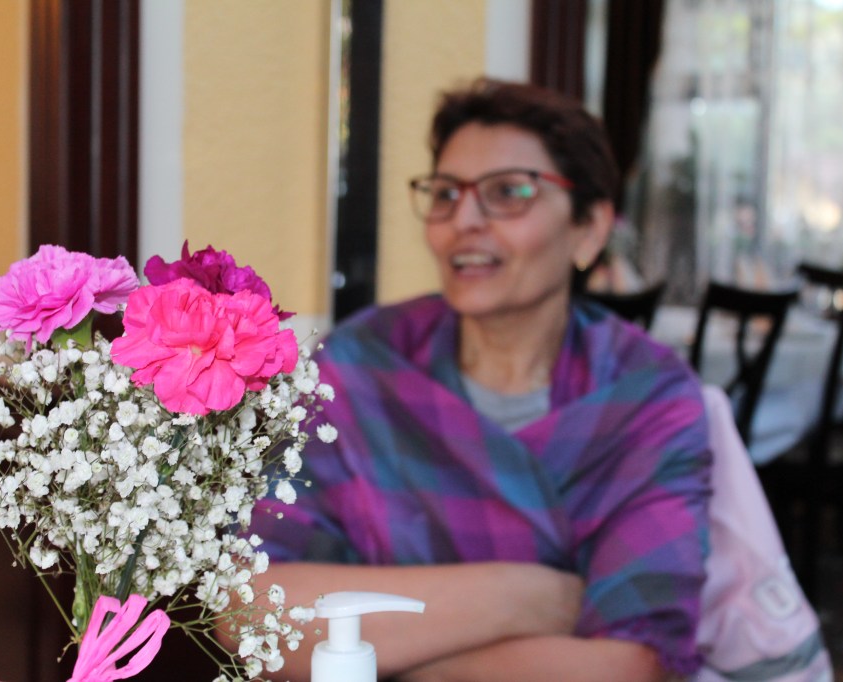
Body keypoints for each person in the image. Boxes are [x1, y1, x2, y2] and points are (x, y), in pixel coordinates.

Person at [250, 77, 712, 681]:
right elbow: (255, 613)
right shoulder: (361, 364)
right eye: (446, 193)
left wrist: (375, 656)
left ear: (590, 229)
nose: (463, 220)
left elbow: (630, 667)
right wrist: (529, 597)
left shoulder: (648, 396)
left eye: (509, 192)